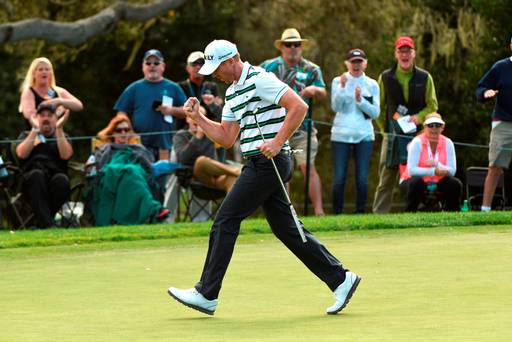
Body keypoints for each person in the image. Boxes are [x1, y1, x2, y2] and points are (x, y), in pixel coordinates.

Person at [167, 39, 360, 316]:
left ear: (232, 59)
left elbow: (298, 107)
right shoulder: (233, 92)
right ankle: (341, 279)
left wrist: (278, 141)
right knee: (287, 229)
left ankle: (206, 293)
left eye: (217, 68)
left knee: (225, 219)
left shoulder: (259, 78)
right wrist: (198, 117)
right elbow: (226, 137)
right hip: (259, 162)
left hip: (268, 162)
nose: (214, 75)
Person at [260, 28, 327, 215]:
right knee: (282, 170)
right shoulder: (268, 67)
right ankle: (286, 213)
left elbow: (323, 91)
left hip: (303, 128)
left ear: (301, 47)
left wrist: (314, 89)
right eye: (288, 44)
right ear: (281, 47)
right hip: (275, 128)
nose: (293, 48)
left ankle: (319, 211)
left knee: (307, 167)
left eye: (296, 44)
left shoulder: (312, 69)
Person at [372, 36, 438, 213]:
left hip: (418, 136)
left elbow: (433, 106)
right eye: (401, 51)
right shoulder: (385, 77)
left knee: (420, 175)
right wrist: (385, 130)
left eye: (408, 51)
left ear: (414, 53)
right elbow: (378, 107)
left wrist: (419, 117)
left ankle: (418, 212)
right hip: (392, 136)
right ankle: (379, 215)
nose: (405, 55)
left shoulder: (425, 77)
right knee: (386, 178)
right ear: (396, 54)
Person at [86, 114, 169, 226]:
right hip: (111, 181)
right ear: (113, 132)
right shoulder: (103, 149)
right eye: (119, 130)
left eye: (126, 130)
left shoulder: (139, 149)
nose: (123, 133)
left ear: (130, 132)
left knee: (131, 171)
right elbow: (98, 169)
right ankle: (153, 210)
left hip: (138, 178)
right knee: (129, 170)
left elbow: (149, 168)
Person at [114, 49, 187, 161]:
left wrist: (171, 110)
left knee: (164, 176)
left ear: (163, 66)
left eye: (156, 63)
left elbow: (187, 111)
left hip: (166, 145)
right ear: (143, 67)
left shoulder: (173, 87)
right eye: (148, 63)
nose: (152, 66)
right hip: (139, 146)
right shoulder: (134, 88)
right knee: (142, 175)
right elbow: (121, 113)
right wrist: (130, 132)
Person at [330, 48, 380, 214]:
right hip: (340, 136)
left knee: (362, 179)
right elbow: (335, 106)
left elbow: (375, 112)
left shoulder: (372, 84)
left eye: (359, 62)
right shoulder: (338, 81)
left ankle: (360, 213)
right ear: (347, 64)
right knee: (339, 178)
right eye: (353, 62)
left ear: (365, 64)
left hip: (364, 136)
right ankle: (337, 214)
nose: (356, 65)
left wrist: (360, 101)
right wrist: (343, 88)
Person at [15, 103, 73, 228]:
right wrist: (35, 130)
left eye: (50, 115)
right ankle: (49, 224)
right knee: (37, 175)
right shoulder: (26, 135)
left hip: (55, 180)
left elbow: (66, 155)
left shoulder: (62, 135)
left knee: (61, 180)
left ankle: (42, 223)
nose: (46, 118)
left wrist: (59, 129)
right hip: (32, 182)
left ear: (56, 119)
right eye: (42, 115)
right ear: (37, 118)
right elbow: (21, 154)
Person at [476, 37, 512, 212]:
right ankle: (485, 209)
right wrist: (486, 93)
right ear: (511, 46)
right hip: (503, 123)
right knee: (495, 166)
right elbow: (480, 88)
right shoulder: (500, 67)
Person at [399, 113, 461, 212]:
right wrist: (434, 171)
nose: (434, 128)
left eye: (437, 125)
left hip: (438, 181)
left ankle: (453, 216)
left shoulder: (448, 143)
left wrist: (437, 164)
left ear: (442, 127)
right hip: (411, 180)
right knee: (416, 182)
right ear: (425, 127)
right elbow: (411, 170)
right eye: (430, 125)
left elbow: (452, 171)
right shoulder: (417, 142)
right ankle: (409, 214)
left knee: (454, 183)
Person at [173, 116, 240, 192]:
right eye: (195, 115)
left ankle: (232, 204)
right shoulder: (181, 135)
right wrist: (197, 137)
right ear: (187, 119)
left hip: (216, 176)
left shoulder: (209, 134)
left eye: (202, 116)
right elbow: (183, 158)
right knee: (201, 161)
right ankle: (238, 171)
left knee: (233, 179)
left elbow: (223, 128)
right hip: (196, 178)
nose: (198, 119)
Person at [19, 57, 83, 128]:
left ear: (51, 73)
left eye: (47, 69)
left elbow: (79, 106)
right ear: (33, 74)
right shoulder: (29, 92)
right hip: (34, 135)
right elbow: (29, 115)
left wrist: (59, 101)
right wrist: (44, 129)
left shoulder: (58, 91)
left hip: (57, 135)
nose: (44, 72)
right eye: (40, 69)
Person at [177, 51, 223, 131]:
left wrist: (213, 105)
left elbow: (220, 113)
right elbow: (174, 111)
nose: (198, 67)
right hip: (185, 133)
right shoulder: (179, 87)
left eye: (202, 63)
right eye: (194, 64)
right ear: (187, 68)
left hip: (209, 133)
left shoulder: (212, 87)